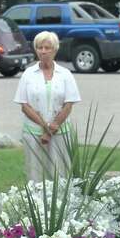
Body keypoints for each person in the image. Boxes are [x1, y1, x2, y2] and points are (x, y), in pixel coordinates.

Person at [14, 31, 81, 182]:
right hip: (33, 132)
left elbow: (69, 104)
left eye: (47, 47)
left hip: (61, 133)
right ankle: (36, 204)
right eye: (39, 47)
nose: (43, 51)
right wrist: (45, 126)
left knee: (60, 173)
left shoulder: (65, 74)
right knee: (35, 173)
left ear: (55, 50)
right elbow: (24, 105)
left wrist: (54, 126)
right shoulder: (28, 74)